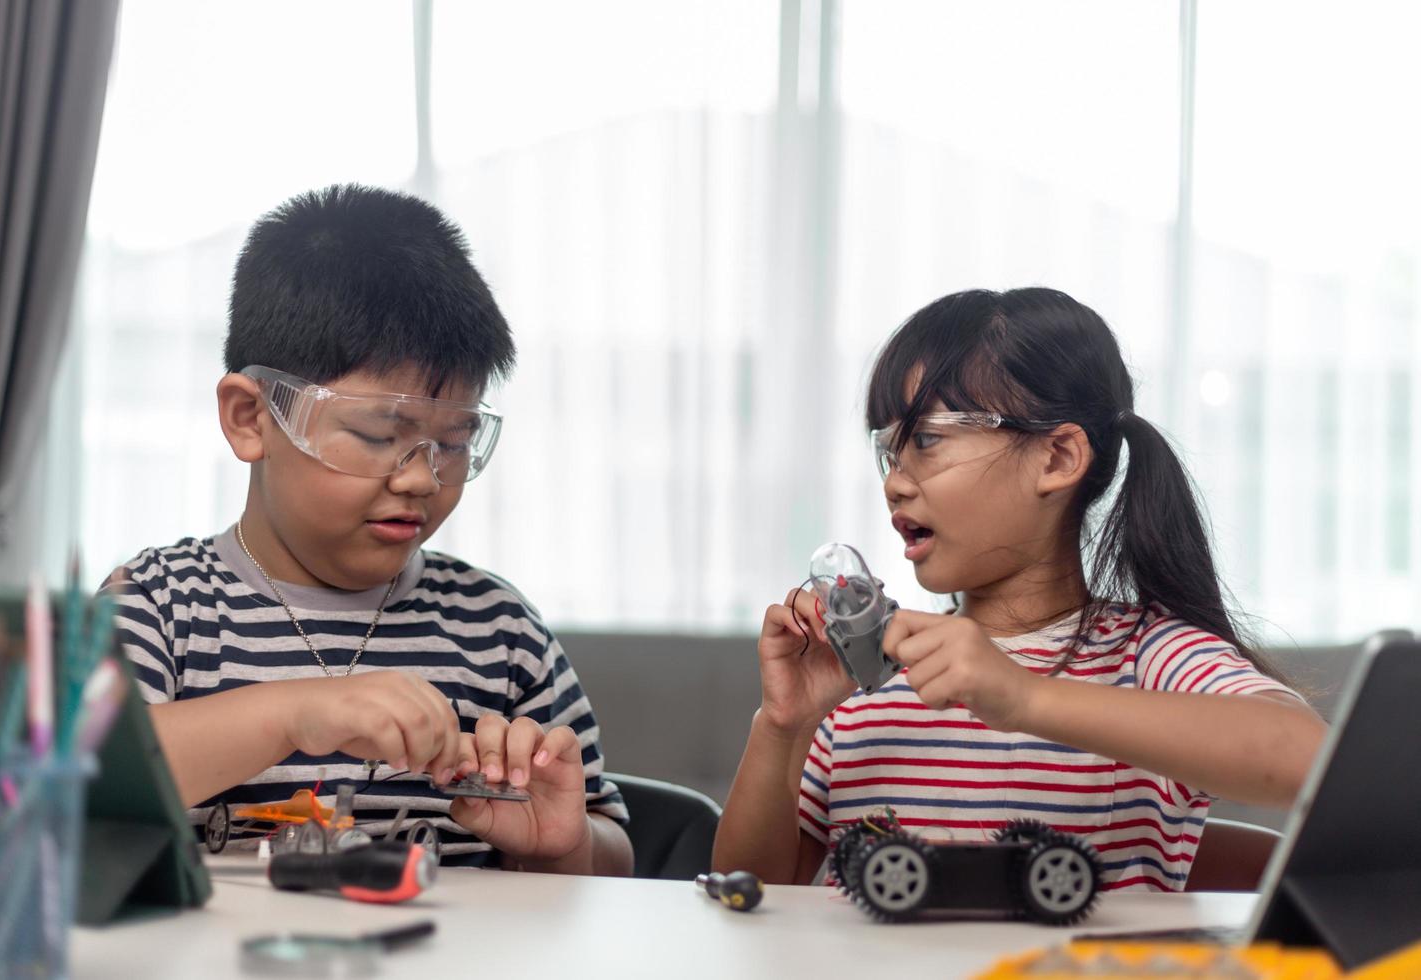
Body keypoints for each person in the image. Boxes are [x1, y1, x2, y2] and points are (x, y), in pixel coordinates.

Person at [713, 287, 1325, 891]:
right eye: (889, 453)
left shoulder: (1145, 657)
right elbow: (750, 892)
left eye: (925, 440)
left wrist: (1023, 698)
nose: (895, 484)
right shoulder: (865, 680)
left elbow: (1304, 759)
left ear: (1057, 458)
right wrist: (784, 727)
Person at [109, 184, 631, 874]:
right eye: (379, 432)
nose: (421, 477)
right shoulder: (160, 607)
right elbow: (66, 792)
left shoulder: (496, 631)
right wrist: (294, 714)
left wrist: (563, 842)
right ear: (249, 417)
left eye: (453, 442)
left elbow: (612, 855)